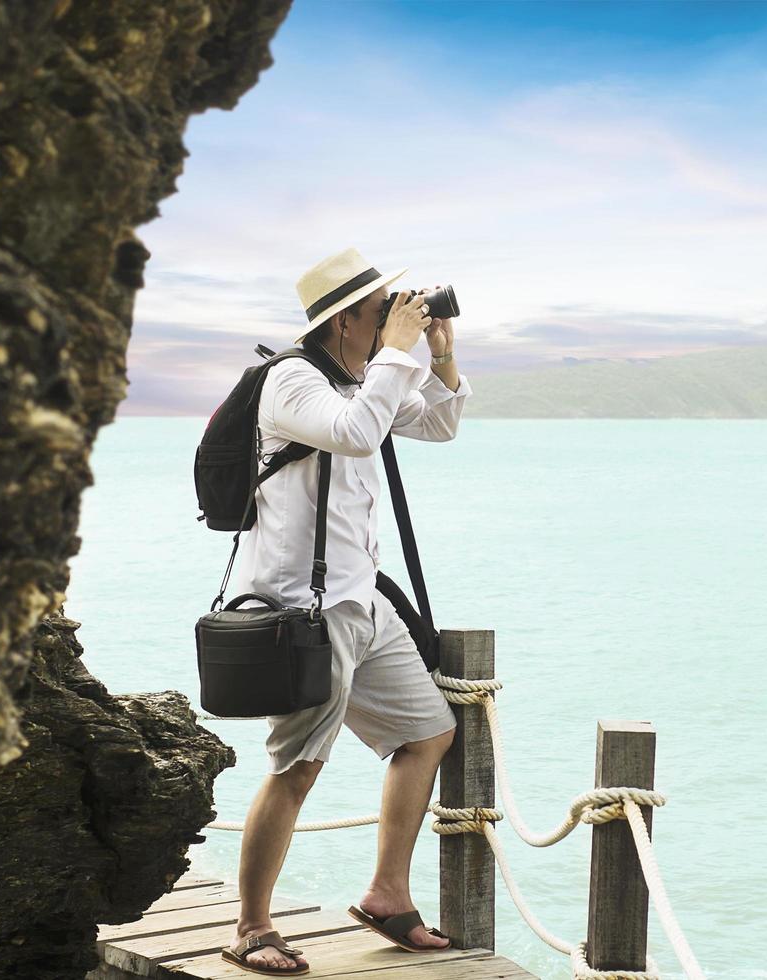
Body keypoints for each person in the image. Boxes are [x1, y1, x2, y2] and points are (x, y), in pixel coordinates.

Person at [220, 247, 471, 976]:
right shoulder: (290, 382)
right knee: (297, 767)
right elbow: (359, 431)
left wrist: (438, 354)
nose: (397, 315)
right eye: (383, 308)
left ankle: (386, 895)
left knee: (426, 733)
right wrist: (397, 353)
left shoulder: (364, 376)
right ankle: (252, 927)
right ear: (345, 321)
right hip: (303, 610)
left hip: (362, 601)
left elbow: (439, 425)